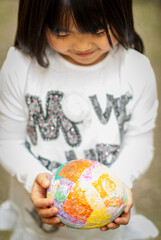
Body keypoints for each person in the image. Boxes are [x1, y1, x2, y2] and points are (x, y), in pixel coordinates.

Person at [0, 0, 159, 239]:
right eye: (62, 32)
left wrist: (119, 186)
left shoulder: (135, 70)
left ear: (120, 15)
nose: (83, 45)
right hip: (40, 217)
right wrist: (35, 178)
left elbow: (139, 142)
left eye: (98, 31)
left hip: (107, 215)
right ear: (38, 21)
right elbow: (8, 141)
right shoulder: (21, 68)